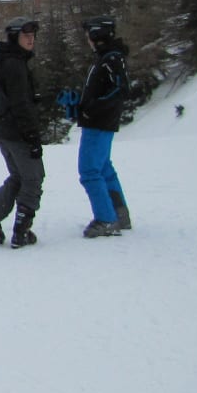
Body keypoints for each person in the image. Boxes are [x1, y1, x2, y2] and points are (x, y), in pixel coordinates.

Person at [0, 17, 47, 249]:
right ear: (15, 37)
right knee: (33, 178)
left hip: (5, 129)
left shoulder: (8, 59)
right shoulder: (14, 64)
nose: (31, 39)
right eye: (26, 35)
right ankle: (21, 231)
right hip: (17, 132)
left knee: (18, 177)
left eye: (33, 35)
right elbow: (20, 104)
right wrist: (32, 136)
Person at [76, 14, 132, 238]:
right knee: (103, 168)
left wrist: (93, 108)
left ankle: (106, 218)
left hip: (99, 124)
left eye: (89, 34)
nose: (87, 40)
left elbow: (121, 90)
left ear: (97, 34)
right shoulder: (107, 57)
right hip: (100, 122)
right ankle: (119, 214)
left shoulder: (111, 59)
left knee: (89, 171)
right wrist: (81, 105)